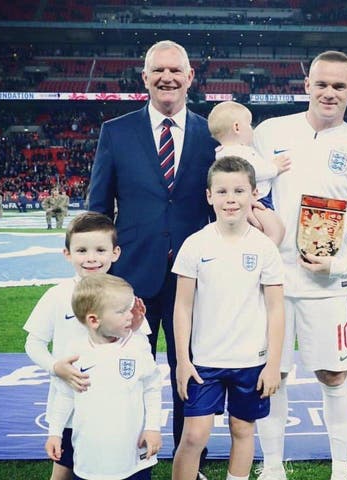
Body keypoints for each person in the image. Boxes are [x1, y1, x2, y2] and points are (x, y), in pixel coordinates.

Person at [253, 50, 347, 480]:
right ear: (306, 84)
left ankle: (342, 471)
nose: (329, 92)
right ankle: (273, 467)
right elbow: (241, 186)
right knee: (272, 376)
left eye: (339, 86)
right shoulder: (270, 132)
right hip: (269, 282)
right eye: (322, 84)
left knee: (334, 375)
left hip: (326, 286)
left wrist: (341, 263)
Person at [87, 40, 218, 477]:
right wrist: (96, 276)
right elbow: (98, 210)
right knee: (126, 370)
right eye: (158, 70)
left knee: (190, 370)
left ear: (190, 77)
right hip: (131, 279)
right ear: (144, 78)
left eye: (176, 70)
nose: (167, 78)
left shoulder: (208, 135)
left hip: (193, 279)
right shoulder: (116, 132)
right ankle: (125, 457)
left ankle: (189, 460)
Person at [171, 156, 285, 480]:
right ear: (209, 196)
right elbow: (183, 307)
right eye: (222, 192)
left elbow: (277, 309)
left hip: (251, 360)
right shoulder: (195, 245)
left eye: (238, 191)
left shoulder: (264, 248)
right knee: (194, 435)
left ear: (253, 195)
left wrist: (273, 363)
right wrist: (183, 359)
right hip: (205, 360)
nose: (230, 199)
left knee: (242, 429)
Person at [24, 211, 151, 480]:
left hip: (116, 405)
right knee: (65, 466)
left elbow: (139, 347)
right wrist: (56, 367)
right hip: (72, 401)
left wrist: (136, 329)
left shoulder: (124, 295)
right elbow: (33, 343)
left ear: (115, 253)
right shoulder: (57, 296)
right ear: (67, 253)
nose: (91, 258)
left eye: (100, 250)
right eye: (82, 250)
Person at [45, 273, 162, 480]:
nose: (130, 315)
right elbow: (65, 396)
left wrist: (152, 428)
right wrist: (54, 433)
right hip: (90, 460)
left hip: (133, 458)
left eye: (130, 307)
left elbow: (152, 388)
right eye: (121, 311)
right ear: (93, 320)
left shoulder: (137, 345)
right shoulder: (75, 351)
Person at [207, 101, 290, 245]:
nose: (252, 129)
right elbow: (253, 172)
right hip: (256, 202)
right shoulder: (235, 152)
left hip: (253, 200)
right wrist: (275, 167)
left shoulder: (228, 151)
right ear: (237, 127)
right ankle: (265, 256)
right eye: (250, 124)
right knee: (276, 230)